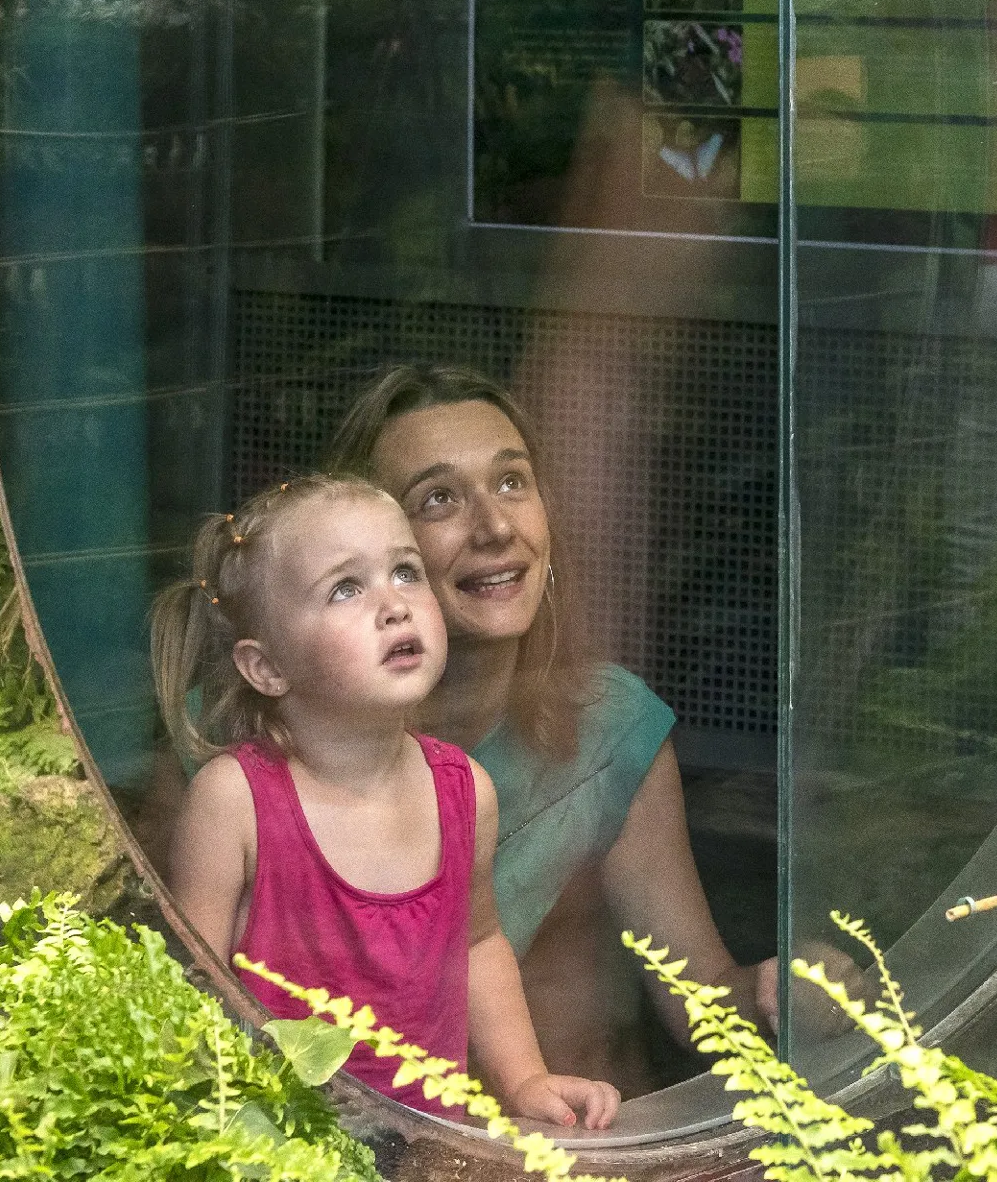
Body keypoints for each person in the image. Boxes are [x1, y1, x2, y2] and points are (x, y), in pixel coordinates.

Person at [326, 366, 784, 1082]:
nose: (495, 527)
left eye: (512, 482)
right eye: (439, 499)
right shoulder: (259, 744)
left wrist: (786, 992)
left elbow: (706, 1009)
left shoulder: (607, 726)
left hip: (582, 1135)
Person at [156, 474, 621, 1128]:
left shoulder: (467, 792)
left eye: (406, 572)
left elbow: (479, 944)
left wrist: (525, 1079)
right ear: (266, 668)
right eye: (346, 588)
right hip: (277, 1149)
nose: (394, 605)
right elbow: (189, 993)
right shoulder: (233, 801)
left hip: (431, 1147)